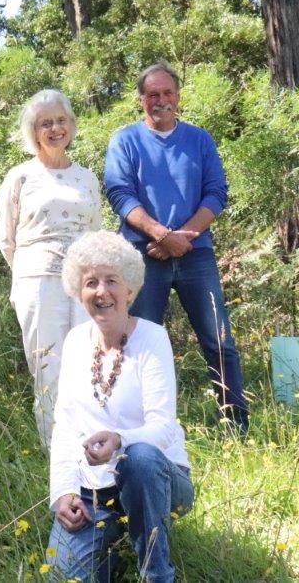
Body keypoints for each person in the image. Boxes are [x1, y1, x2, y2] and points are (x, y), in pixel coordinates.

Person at [103, 61, 249, 433]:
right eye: (153, 94)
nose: (161, 100)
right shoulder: (125, 140)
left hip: (196, 255)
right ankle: (137, 428)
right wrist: (159, 235)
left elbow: (217, 193)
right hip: (141, 258)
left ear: (178, 97)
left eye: (168, 93)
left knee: (219, 341)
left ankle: (235, 425)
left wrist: (180, 238)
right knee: (136, 343)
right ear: (141, 101)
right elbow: (119, 193)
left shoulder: (200, 140)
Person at [48, 230, 193, 582]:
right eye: (90, 282)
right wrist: (63, 491)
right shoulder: (74, 342)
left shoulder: (152, 338)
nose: (101, 292)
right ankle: (111, 542)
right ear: (77, 291)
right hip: (93, 486)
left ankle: (156, 573)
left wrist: (118, 439)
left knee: (139, 456)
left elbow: (163, 428)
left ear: (129, 288)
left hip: (159, 477)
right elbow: (65, 425)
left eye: (111, 281)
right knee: (66, 577)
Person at [0, 89, 102, 450]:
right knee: (49, 367)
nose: (54, 128)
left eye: (60, 120)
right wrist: (34, 271)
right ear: (33, 131)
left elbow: (96, 232)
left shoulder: (87, 178)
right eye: (45, 123)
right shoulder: (21, 177)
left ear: (71, 125)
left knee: (88, 366)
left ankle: (91, 451)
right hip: (38, 281)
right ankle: (56, 454)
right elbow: (6, 237)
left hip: (85, 285)